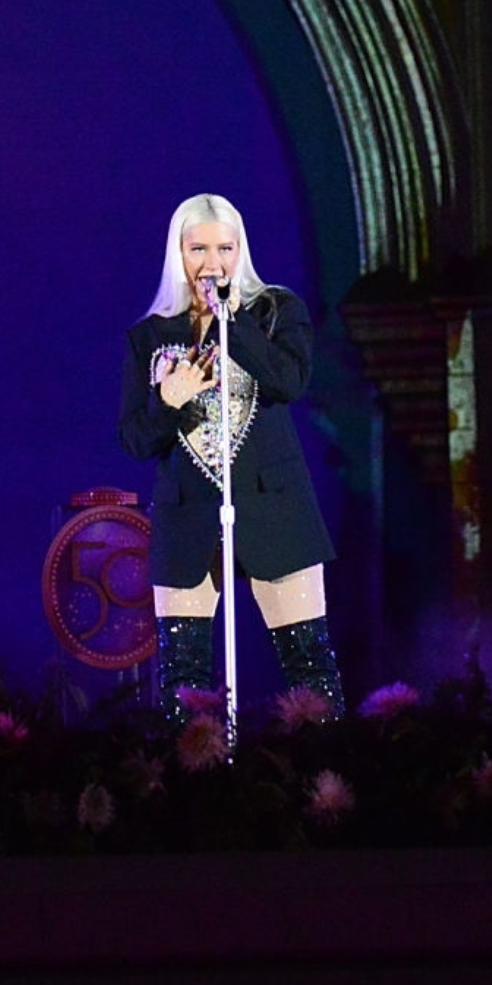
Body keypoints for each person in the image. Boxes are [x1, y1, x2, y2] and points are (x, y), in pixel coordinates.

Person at [118, 194, 345, 724]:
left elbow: (289, 382)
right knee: (184, 681)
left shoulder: (274, 312)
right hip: (187, 515)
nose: (211, 262)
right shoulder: (150, 336)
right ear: (178, 253)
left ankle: (325, 767)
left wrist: (233, 321)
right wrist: (169, 400)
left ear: (240, 250)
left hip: (275, 507)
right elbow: (134, 440)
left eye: (224, 248)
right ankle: (199, 769)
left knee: (309, 665)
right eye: (198, 248)